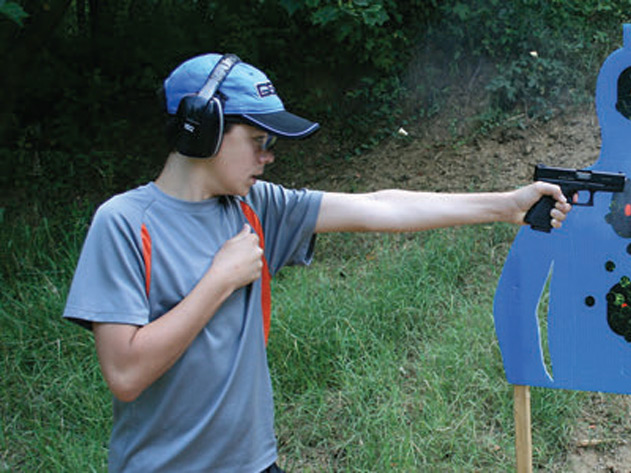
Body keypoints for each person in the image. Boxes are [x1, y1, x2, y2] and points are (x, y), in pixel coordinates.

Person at [62, 53, 571, 473]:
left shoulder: (254, 206)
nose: (268, 157)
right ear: (202, 129)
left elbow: (379, 208)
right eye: (258, 142)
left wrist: (506, 205)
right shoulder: (125, 223)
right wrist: (218, 280)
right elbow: (125, 373)